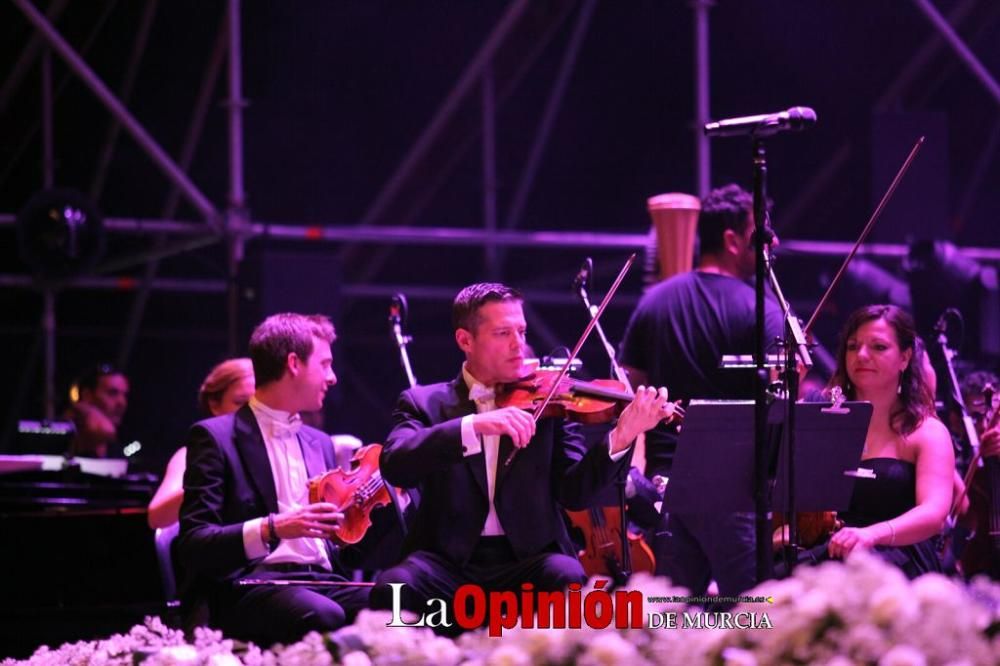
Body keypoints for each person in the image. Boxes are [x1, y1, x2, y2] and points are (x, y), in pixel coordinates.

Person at [371, 282, 673, 627]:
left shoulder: (550, 402)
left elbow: (573, 493)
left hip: (527, 560)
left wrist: (621, 435)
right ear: (464, 341)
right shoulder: (423, 403)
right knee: (393, 588)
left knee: (566, 574)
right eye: (502, 333)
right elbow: (395, 464)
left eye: (521, 331)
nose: (518, 345)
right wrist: (473, 425)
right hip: (446, 564)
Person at [619, 183, 783, 599]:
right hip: (734, 489)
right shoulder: (760, 307)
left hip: (667, 489)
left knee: (670, 619)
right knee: (752, 616)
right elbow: (779, 398)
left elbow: (631, 388)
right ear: (731, 240)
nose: (773, 241)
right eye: (761, 232)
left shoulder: (654, 302)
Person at [175, 313, 369, 645]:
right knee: (324, 615)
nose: (333, 377)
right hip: (251, 586)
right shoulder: (215, 437)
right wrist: (272, 527)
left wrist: (385, 504)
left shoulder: (319, 442)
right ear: (294, 363)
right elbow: (194, 544)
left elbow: (345, 555)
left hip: (323, 582)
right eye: (324, 364)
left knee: (404, 605)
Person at [814, 304, 954, 577]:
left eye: (878, 347)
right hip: (827, 554)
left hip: (898, 559)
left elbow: (935, 513)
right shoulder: (823, 421)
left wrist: (873, 535)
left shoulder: (927, 431)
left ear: (905, 357)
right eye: (853, 347)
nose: (861, 355)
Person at [147, 358, 255, 529]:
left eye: (258, 404)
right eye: (240, 402)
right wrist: (210, 477)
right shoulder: (191, 454)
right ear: (214, 405)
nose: (251, 412)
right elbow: (156, 517)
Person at [67, 363, 130, 458]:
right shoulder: (66, 436)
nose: (122, 403)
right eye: (112, 393)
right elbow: (107, 431)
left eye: (124, 395)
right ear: (87, 395)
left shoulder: (116, 452)